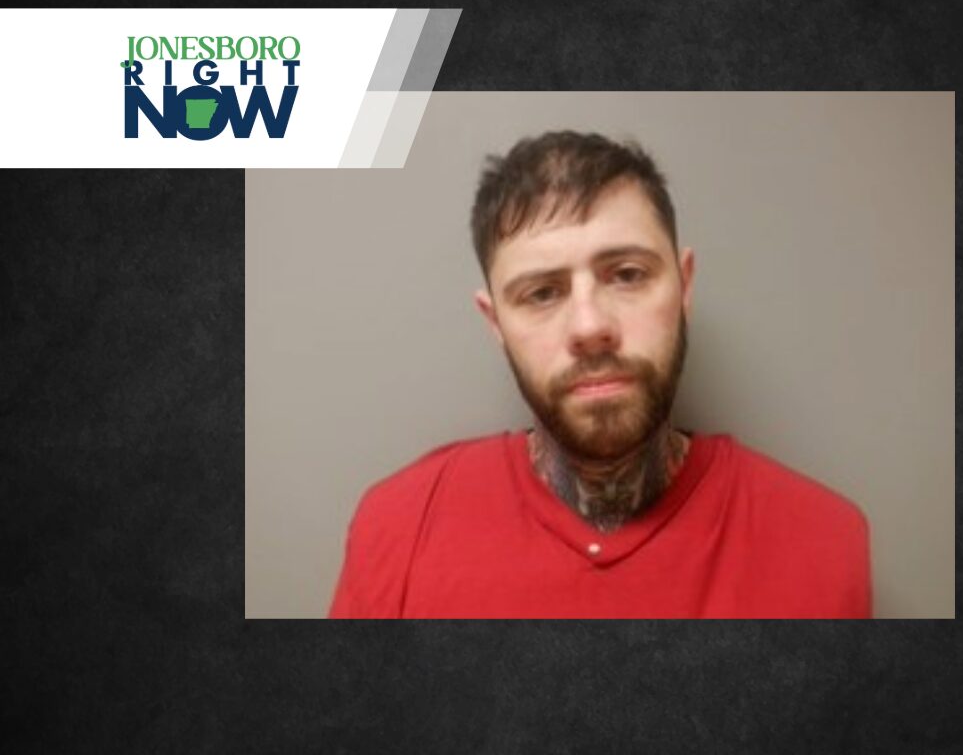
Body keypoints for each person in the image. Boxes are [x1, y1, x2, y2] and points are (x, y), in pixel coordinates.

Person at [329, 131, 870, 618]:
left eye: (627, 275)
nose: (590, 327)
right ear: (495, 320)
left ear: (683, 288)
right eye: (541, 293)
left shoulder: (823, 540)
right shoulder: (399, 527)